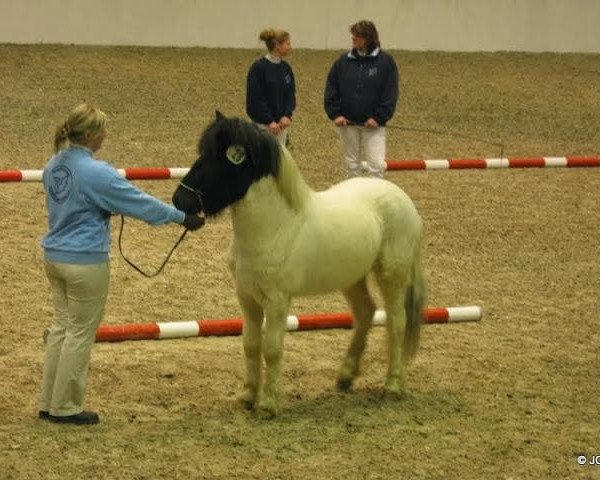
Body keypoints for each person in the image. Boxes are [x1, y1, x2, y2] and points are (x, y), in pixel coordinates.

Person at [38, 103, 203, 425]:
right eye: (102, 130)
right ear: (90, 135)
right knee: (80, 333)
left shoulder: (53, 165)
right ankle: (66, 406)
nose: (105, 136)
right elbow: (139, 203)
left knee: (61, 328)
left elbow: (78, 204)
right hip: (85, 261)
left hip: (54, 256)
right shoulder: (97, 172)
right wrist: (182, 218)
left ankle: (49, 402)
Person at [324, 20, 399, 178]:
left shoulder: (386, 62)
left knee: (376, 166)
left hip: (373, 126)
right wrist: (335, 114)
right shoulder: (343, 62)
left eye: (357, 36)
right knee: (351, 166)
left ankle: (375, 200)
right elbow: (332, 88)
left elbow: (390, 93)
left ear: (368, 38)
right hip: (347, 124)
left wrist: (378, 118)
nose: (353, 39)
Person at [246, 28, 296, 146]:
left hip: (281, 126)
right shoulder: (258, 68)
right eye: (287, 43)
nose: (290, 47)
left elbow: (290, 94)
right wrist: (269, 121)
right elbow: (255, 99)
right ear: (277, 46)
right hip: (262, 127)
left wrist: (287, 115)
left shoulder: (286, 68)